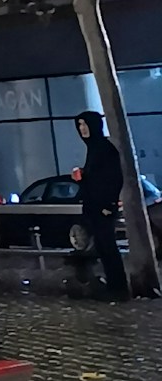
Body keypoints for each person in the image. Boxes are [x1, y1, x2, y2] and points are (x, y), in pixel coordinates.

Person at [72, 111, 131, 299]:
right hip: (95, 207)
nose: (82, 129)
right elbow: (96, 179)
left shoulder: (104, 149)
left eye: (85, 125)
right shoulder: (94, 149)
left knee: (108, 247)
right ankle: (114, 287)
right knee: (103, 247)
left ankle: (118, 288)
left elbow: (113, 178)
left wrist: (108, 204)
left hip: (103, 208)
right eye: (80, 125)